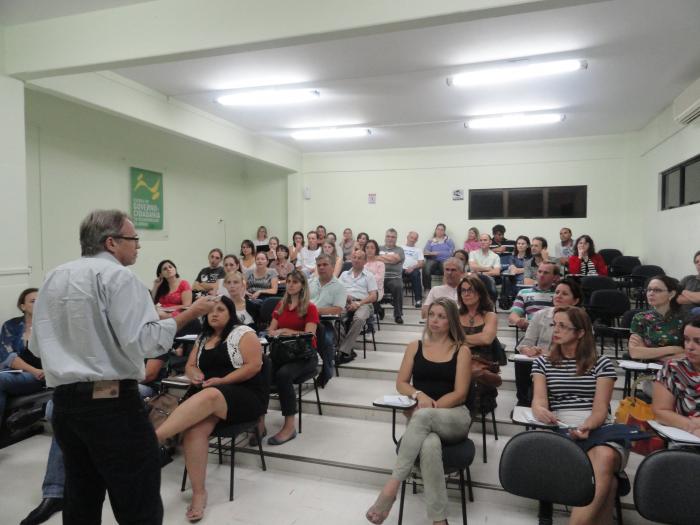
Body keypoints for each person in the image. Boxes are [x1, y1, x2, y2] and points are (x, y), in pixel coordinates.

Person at [30, 209, 215, 525]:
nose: (139, 247)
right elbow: (148, 342)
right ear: (112, 242)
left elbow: (36, 345)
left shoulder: (54, 277)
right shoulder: (120, 278)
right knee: (137, 500)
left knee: (81, 495)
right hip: (112, 404)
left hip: (65, 404)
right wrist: (190, 313)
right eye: (135, 239)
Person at [156, 296, 265, 521]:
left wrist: (222, 381)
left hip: (244, 395)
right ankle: (199, 493)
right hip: (210, 396)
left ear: (231, 313)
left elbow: (254, 366)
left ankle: (154, 439)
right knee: (194, 431)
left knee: (212, 394)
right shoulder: (203, 336)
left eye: (221, 310)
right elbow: (191, 365)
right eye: (211, 311)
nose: (214, 314)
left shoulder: (243, 332)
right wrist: (194, 373)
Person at [365, 298, 471, 525]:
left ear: (451, 320)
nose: (435, 320)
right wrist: (418, 395)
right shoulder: (415, 346)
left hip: (454, 417)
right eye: (432, 314)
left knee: (422, 418)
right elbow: (402, 383)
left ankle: (390, 490)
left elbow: (460, 393)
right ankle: (439, 520)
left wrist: (428, 410)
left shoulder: (462, 350)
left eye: (442, 316)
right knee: (430, 445)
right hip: (422, 420)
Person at [531, 306, 626, 525]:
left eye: (563, 326)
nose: (556, 329)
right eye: (555, 324)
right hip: (560, 423)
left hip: (596, 424)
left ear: (581, 332)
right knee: (609, 483)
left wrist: (586, 426)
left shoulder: (601, 363)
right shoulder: (543, 362)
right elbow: (539, 400)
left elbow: (601, 409)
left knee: (605, 456)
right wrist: (540, 411)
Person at [265, 270, 320, 445]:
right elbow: (271, 330)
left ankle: (289, 427)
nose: (290, 284)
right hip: (283, 354)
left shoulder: (310, 307)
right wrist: (277, 333)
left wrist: (287, 332)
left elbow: (310, 334)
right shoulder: (280, 306)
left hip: (304, 356)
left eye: (295, 282)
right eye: (288, 281)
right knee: (260, 371)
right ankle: (258, 422)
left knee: (283, 375)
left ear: (302, 285)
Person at [514, 278, 583, 406]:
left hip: (568, 364)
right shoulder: (540, 315)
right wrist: (529, 350)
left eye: (564, 294)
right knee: (522, 359)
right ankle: (524, 402)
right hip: (540, 362)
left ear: (576, 300)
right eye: (557, 292)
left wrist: (549, 352)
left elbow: (584, 349)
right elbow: (525, 343)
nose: (558, 296)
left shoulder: (582, 319)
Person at [0, 288, 45, 430]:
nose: (38, 303)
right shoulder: (11, 325)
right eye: (33, 301)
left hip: (41, 375)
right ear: (22, 306)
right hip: (19, 371)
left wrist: (37, 371)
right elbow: (7, 356)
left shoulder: (50, 326)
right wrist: (33, 370)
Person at [457, 276, 501, 416]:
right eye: (463, 291)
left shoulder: (489, 315)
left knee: (473, 374)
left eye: (470, 290)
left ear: (480, 293)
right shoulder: (456, 315)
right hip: (458, 360)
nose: (466, 293)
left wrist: (459, 340)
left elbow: (486, 339)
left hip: (482, 363)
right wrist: (473, 339)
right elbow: (447, 340)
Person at [652, 316, 700, 436]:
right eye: (686, 339)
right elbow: (660, 412)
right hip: (686, 440)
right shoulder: (673, 368)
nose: (690, 347)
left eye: (698, 342)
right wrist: (691, 426)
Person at [309, 254, 347, 386]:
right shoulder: (310, 282)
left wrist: (314, 311)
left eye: (325, 265)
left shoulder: (339, 286)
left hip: (325, 322)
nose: (321, 267)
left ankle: (327, 370)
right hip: (307, 320)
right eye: (319, 265)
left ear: (332, 266)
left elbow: (337, 309)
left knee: (326, 340)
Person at [628, 275, 685, 360]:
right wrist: (673, 349)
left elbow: (688, 354)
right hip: (648, 370)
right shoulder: (640, 318)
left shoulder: (685, 319)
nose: (651, 293)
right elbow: (635, 353)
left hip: (677, 370)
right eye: (649, 290)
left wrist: (648, 352)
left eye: (657, 290)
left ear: (671, 294)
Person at [338, 250, 378, 364]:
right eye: (354, 257)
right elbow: (337, 290)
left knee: (359, 318)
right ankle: (347, 349)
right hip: (345, 302)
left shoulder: (369, 275)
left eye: (359, 258)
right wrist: (345, 297)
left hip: (364, 303)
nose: (356, 260)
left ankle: (344, 351)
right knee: (334, 317)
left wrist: (358, 303)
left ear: (365, 261)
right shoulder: (344, 274)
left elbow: (373, 296)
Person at [508, 262, 559, 330]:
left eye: (546, 273)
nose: (541, 275)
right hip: (532, 329)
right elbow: (513, 315)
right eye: (539, 271)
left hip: (554, 330)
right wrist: (519, 321)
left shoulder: (559, 294)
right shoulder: (524, 293)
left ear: (555, 277)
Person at [379, 228, 406, 324]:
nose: (390, 239)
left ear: (396, 239)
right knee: (368, 286)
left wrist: (380, 258)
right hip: (379, 277)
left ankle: (398, 315)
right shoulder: (378, 248)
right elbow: (372, 258)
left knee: (398, 286)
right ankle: (378, 310)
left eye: (393, 237)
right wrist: (390, 258)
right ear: (385, 237)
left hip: (394, 277)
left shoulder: (400, 250)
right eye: (388, 236)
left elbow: (395, 260)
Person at [422, 223, 455, 293]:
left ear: (444, 232)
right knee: (426, 268)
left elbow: (451, 252)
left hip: (444, 260)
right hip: (432, 259)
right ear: (435, 230)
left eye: (442, 230)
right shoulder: (431, 241)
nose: (439, 231)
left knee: (447, 269)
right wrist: (432, 253)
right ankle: (427, 290)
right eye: (438, 229)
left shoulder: (448, 240)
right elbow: (425, 251)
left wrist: (440, 253)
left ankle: (446, 290)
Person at [402, 230, 425, 307]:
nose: (412, 240)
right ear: (407, 237)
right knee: (395, 273)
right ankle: (395, 298)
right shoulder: (400, 247)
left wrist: (412, 268)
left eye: (415, 238)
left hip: (413, 270)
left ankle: (418, 300)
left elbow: (421, 263)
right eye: (411, 237)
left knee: (416, 274)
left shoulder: (418, 250)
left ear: (416, 240)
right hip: (401, 269)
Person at [678, 250, 700, 316]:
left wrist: (682, 291)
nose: (699, 263)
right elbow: (674, 297)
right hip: (681, 317)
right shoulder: (688, 278)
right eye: (697, 262)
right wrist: (695, 299)